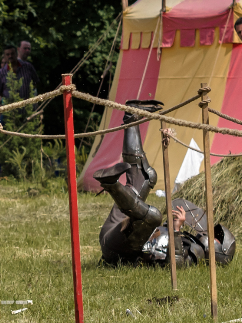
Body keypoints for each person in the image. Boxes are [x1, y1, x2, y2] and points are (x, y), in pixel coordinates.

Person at [94, 100, 236, 266]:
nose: (210, 235)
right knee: (146, 176)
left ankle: (111, 184)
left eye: (217, 240)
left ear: (220, 252)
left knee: (153, 217)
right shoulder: (189, 242)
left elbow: (175, 263)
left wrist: (176, 230)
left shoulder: (194, 254)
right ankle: (132, 118)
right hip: (115, 231)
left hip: (119, 250)